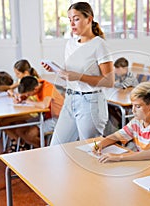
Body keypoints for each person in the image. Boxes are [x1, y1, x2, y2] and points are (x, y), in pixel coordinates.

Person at [42, 2, 114, 145]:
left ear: (89, 19)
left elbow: (109, 81)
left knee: (89, 151)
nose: (72, 24)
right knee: (56, 148)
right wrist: (56, 70)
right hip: (70, 99)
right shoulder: (70, 44)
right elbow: (71, 73)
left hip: (91, 103)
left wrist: (79, 77)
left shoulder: (99, 45)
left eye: (76, 19)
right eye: (70, 20)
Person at [93, 82, 150, 166]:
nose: (133, 110)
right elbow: (116, 136)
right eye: (132, 105)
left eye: (137, 106)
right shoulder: (136, 122)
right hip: (146, 165)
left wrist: (119, 157)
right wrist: (101, 144)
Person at [6, 76, 64, 149]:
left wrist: (28, 101)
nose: (28, 96)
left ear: (35, 89)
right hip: (45, 115)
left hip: (59, 118)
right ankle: (32, 146)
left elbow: (44, 105)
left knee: (30, 135)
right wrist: (20, 98)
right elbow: (24, 95)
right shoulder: (35, 83)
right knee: (19, 130)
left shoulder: (48, 87)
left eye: (28, 94)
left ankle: (47, 148)